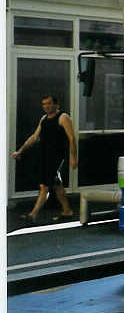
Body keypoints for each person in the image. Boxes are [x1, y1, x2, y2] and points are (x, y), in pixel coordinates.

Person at [11, 94, 77, 223]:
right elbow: (35, 137)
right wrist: (20, 151)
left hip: (57, 156)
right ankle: (67, 211)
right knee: (57, 184)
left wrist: (73, 157)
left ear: (56, 105)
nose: (46, 106)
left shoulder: (63, 117)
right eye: (44, 104)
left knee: (44, 186)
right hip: (45, 155)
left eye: (49, 103)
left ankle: (33, 214)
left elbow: (72, 138)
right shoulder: (44, 119)